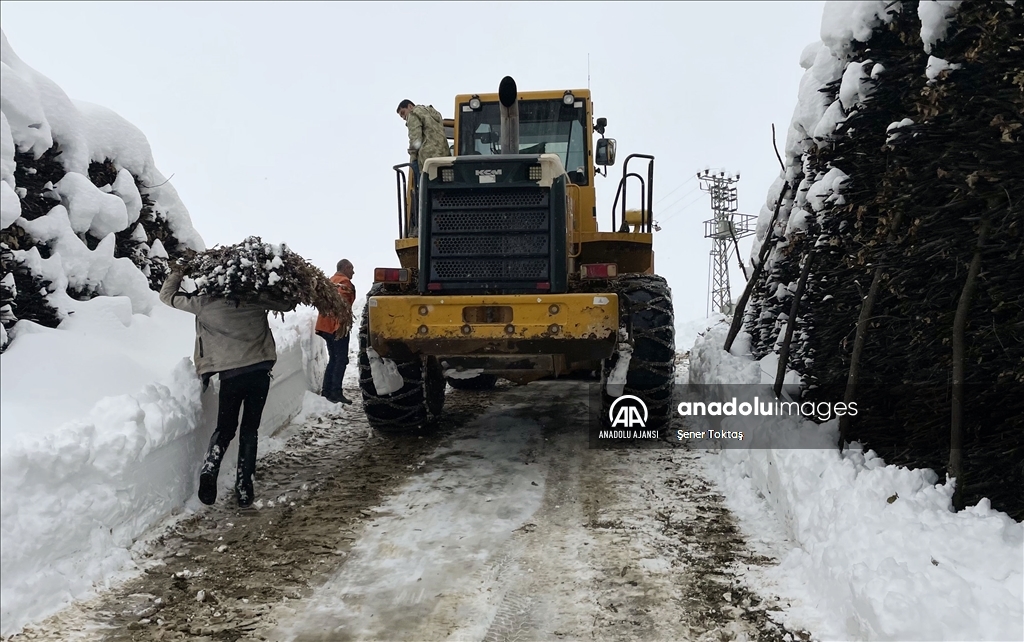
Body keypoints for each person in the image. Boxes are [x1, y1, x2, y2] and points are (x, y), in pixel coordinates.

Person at [159, 267, 291, 508]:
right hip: (259, 373)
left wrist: (179, 271)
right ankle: (244, 487)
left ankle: (211, 466)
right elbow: (288, 303)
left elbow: (167, 295)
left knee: (226, 427)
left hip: (231, 376)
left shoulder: (204, 303)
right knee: (249, 429)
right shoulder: (255, 299)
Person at [397, 99, 450, 234]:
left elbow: (415, 139)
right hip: (444, 157)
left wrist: (413, 159)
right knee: (442, 190)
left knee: (423, 192)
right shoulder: (435, 114)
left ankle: (422, 225)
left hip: (428, 159)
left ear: (410, 106)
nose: (404, 118)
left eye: (403, 113)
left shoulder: (414, 115)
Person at [315, 259, 357, 404]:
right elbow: (342, 304)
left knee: (333, 359)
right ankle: (335, 393)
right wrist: (341, 325)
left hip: (325, 326)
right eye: (352, 268)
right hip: (336, 327)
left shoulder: (330, 281)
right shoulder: (343, 283)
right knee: (341, 360)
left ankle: (326, 391)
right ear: (346, 267)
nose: (353, 272)